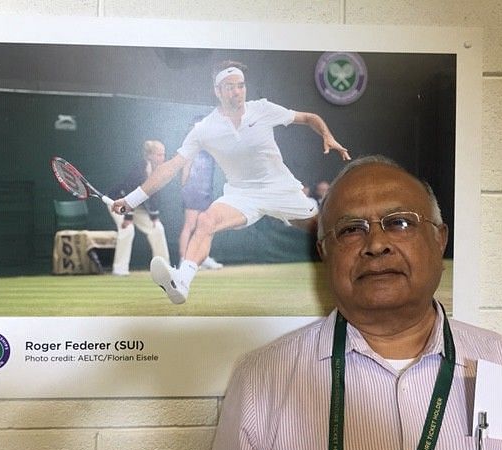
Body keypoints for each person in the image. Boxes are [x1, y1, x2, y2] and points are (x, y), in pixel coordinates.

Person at [204, 156, 502, 450]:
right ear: (324, 251)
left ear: (440, 239)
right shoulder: (263, 378)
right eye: (351, 230)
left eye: (399, 222)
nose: (376, 244)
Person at [112, 60, 350, 303]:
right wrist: (132, 200)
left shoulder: (262, 109)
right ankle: (181, 281)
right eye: (230, 87)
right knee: (206, 220)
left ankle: (350, 273)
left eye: (240, 86)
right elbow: (171, 167)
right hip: (241, 195)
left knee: (321, 230)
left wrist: (328, 137)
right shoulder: (204, 128)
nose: (237, 91)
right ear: (218, 91)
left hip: (281, 190)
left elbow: (310, 117)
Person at [106, 140, 170, 276]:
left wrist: (154, 217)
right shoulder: (138, 169)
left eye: (163, 154)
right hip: (118, 202)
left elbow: (154, 196)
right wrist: (128, 217)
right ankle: (120, 269)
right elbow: (128, 192)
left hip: (138, 207)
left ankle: (164, 268)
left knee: (158, 228)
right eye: (159, 155)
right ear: (149, 156)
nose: (162, 158)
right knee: (127, 229)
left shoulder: (160, 171)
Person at [178, 143, 223, 270]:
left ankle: (202, 258)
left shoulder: (212, 151)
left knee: (205, 225)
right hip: (192, 191)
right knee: (189, 225)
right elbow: (185, 169)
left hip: (206, 191)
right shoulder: (191, 149)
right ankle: (183, 259)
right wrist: (185, 188)